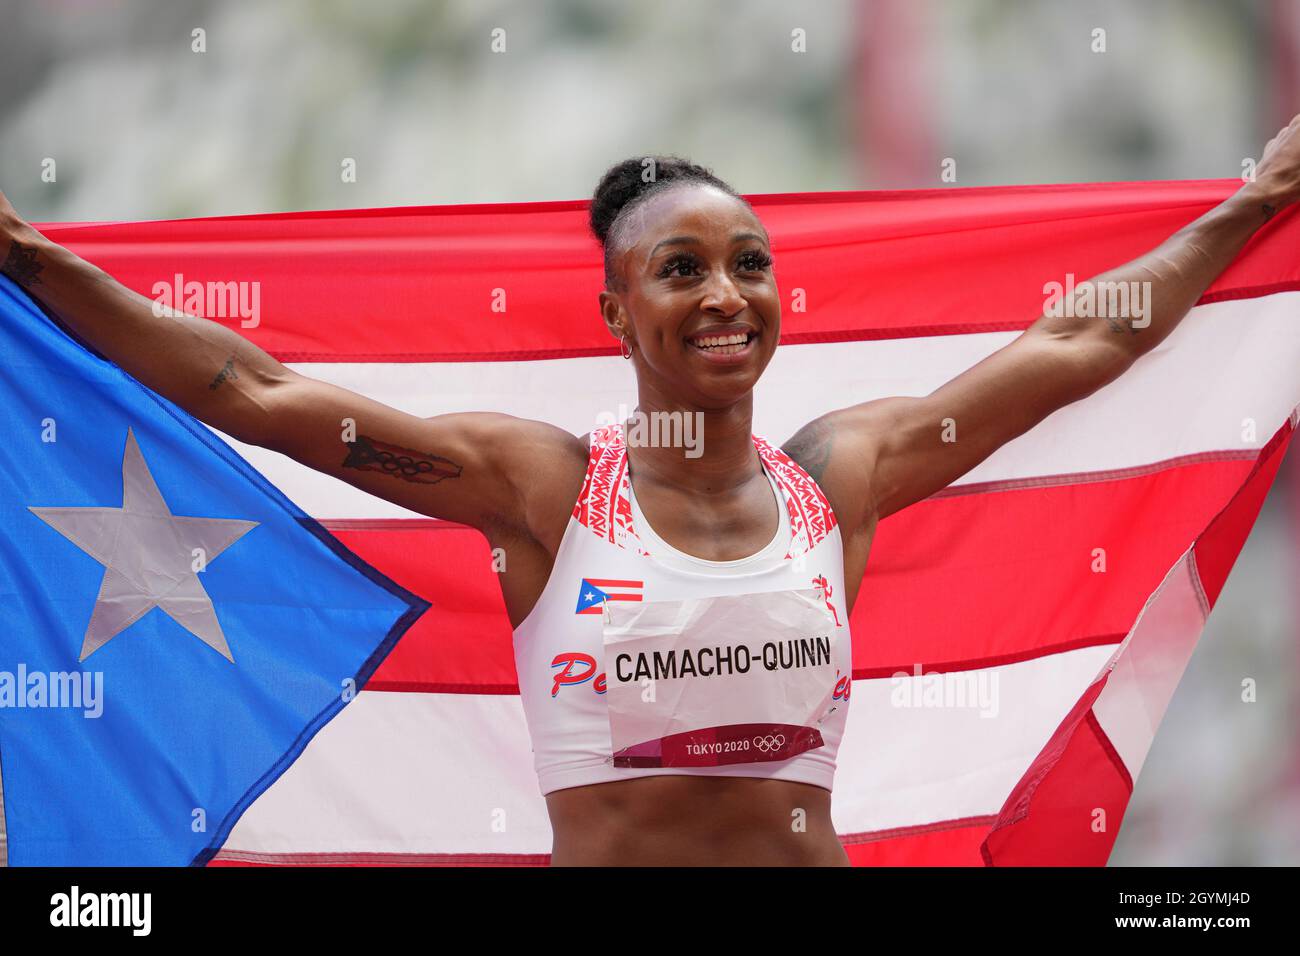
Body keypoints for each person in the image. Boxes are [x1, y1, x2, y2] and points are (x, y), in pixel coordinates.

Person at [2, 118, 1298, 867]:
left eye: (748, 264)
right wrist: (25, 255)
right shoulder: (544, 492)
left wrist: (1257, 204)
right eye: (683, 269)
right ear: (618, 307)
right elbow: (253, 392)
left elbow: (1085, 344)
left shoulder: (843, 475)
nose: (726, 292)